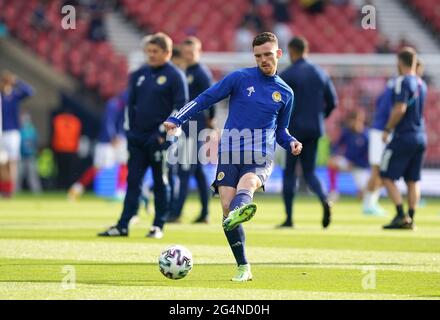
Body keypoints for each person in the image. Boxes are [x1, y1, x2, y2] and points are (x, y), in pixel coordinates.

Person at [164, 32, 302, 282]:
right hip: (229, 152)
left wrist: (291, 141)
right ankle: (243, 266)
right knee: (227, 208)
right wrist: (177, 118)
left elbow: (281, 130)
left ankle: (241, 209)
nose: (263, 60)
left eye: (268, 55)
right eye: (258, 56)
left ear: (278, 54)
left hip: (260, 154)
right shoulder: (240, 78)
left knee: (248, 184)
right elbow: (207, 97)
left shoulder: (286, 93)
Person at [98, 33, 188, 239]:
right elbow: (131, 106)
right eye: (148, 51)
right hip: (137, 138)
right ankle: (123, 224)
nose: (151, 55)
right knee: (133, 181)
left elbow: (181, 107)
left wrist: (161, 132)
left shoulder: (175, 76)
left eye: (155, 51)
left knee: (160, 181)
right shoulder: (138, 74)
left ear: (168, 52)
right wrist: (129, 131)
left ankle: (158, 225)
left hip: (160, 139)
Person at [279, 37, 337, 228]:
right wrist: (320, 117)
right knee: (310, 171)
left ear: (292, 51)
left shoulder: (287, 74)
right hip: (314, 128)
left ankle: (289, 218)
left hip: (292, 130)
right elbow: (333, 101)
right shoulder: (320, 73)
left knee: (289, 173)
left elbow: (279, 102)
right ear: (307, 50)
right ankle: (324, 199)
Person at [168, 36, 215, 224]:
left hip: (194, 126)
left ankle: (176, 213)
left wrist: (211, 119)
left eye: (191, 52)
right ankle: (205, 213)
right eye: (185, 53)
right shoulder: (186, 71)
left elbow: (211, 97)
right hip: (188, 125)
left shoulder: (201, 73)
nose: (188, 56)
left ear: (199, 52)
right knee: (197, 171)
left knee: (185, 169)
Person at [381, 47, 427, 230]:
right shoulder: (421, 83)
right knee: (413, 180)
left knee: (386, 175)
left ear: (400, 62)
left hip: (403, 135)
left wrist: (387, 129)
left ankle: (401, 215)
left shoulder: (402, 81)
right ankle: (412, 218)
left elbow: (400, 109)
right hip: (420, 136)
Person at [68, 90, 128, 200]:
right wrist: (112, 137)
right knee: (98, 167)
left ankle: (120, 191)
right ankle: (77, 188)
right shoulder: (114, 104)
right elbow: (108, 122)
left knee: (123, 163)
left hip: (120, 139)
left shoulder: (126, 106)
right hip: (108, 142)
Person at [0, 71, 34, 197]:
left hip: (13, 133)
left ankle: (10, 190)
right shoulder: (1, 97)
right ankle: (4, 188)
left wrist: (18, 81)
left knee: (12, 162)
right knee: (2, 163)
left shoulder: (14, 96)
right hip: (1, 133)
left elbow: (30, 91)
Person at [328, 110, 369, 200]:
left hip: (360, 167)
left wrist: (355, 163)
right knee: (332, 162)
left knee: (363, 195)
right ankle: (333, 191)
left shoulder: (366, 136)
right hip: (347, 162)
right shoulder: (347, 132)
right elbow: (336, 145)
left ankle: (361, 192)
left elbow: (368, 157)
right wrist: (334, 154)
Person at [51, 107, 82, 190]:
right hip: (71, 149)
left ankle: (60, 186)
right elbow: (78, 135)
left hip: (60, 148)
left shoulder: (58, 120)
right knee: (70, 171)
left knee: (61, 170)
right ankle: (69, 186)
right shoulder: (76, 121)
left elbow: (53, 133)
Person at [18, 113, 42, 194]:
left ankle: (36, 192)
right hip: (20, 156)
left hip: (31, 156)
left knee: (33, 175)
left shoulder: (32, 130)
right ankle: (15, 191)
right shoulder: (19, 130)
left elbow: (36, 142)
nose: (24, 121)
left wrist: (34, 151)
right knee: (18, 175)